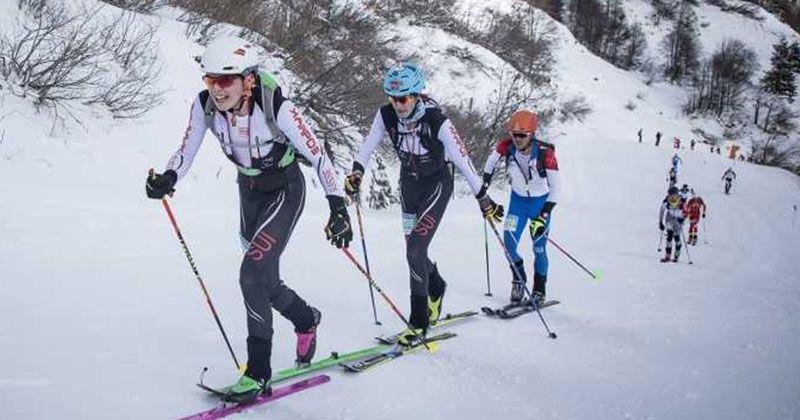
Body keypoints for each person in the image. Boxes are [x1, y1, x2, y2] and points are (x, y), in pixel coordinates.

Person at [145, 37, 353, 403]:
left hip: (285, 189)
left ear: (248, 80)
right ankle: (306, 319)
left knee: (251, 275)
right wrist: (169, 176)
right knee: (265, 282)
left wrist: (338, 206)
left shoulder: (276, 106)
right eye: (211, 79)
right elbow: (187, 148)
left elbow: (318, 156)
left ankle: (257, 372)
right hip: (249, 192)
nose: (217, 89)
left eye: (226, 80)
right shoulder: (205, 106)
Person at [343, 63, 503, 345]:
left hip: (436, 185)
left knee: (415, 250)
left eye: (403, 98)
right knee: (413, 249)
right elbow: (369, 143)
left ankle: (419, 323)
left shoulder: (437, 120)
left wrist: (483, 197)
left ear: (416, 95)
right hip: (409, 186)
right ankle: (436, 286)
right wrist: (356, 172)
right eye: (392, 98)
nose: (397, 105)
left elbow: (463, 160)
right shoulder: (386, 114)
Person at [481, 110, 562, 306]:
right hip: (517, 204)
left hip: (539, 205)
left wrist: (543, 216)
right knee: (508, 245)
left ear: (531, 134)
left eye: (521, 135)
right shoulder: (507, 147)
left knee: (539, 249)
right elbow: (491, 162)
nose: (516, 139)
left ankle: (539, 289)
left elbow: (556, 189)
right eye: (514, 134)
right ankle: (519, 279)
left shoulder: (545, 153)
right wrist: (484, 186)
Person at [658, 186, 687, 262]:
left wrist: (683, 219)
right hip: (669, 219)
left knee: (677, 237)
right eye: (671, 195)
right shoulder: (666, 201)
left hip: (678, 220)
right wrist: (660, 222)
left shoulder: (681, 201)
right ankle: (668, 255)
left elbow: (686, 212)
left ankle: (677, 253)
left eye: (674, 195)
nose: (672, 197)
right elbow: (661, 211)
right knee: (669, 236)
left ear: (677, 194)